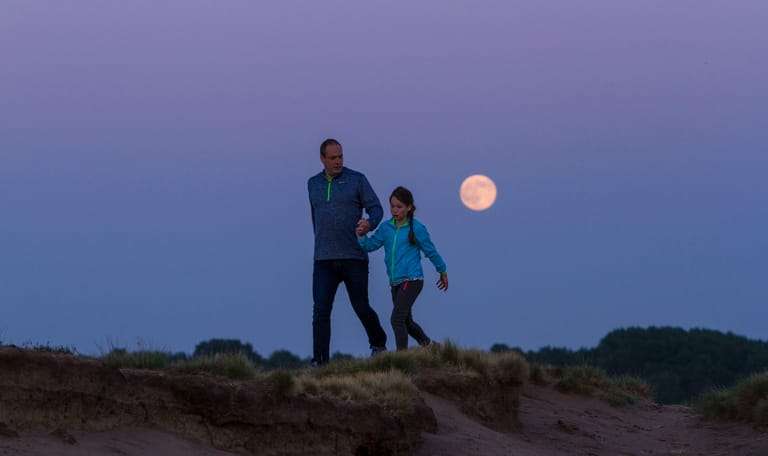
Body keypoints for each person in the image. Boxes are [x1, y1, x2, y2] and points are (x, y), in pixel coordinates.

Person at [308, 138, 388, 365]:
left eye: (340, 156)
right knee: (320, 311)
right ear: (322, 158)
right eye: (332, 158)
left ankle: (378, 343)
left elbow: (377, 208)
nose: (338, 161)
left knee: (361, 306)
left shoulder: (357, 180)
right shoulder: (312, 184)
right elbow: (315, 217)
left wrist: (369, 224)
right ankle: (320, 361)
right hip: (323, 258)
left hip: (354, 257)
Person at [356, 186, 448, 351]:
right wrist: (362, 236)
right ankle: (432, 347)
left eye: (399, 206)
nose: (394, 210)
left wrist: (442, 271)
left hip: (412, 280)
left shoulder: (417, 228)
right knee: (407, 321)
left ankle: (401, 359)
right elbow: (370, 246)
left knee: (396, 319)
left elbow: (431, 251)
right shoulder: (385, 228)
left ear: (409, 207)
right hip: (395, 282)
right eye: (392, 206)